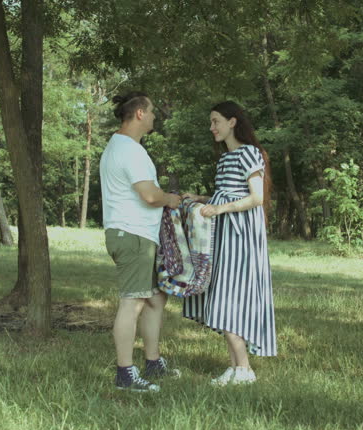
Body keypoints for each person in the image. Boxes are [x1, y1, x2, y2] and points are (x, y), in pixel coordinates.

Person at [182, 101, 277, 386]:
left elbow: (256, 198)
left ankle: (245, 370)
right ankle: (236, 368)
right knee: (220, 293)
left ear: (232, 122)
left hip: (241, 235)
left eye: (216, 121)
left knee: (229, 295)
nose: (212, 128)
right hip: (222, 234)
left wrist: (220, 209)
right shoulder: (225, 159)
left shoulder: (249, 154)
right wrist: (201, 199)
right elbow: (223, 195)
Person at [100, 91, 182, 392]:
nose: (154, 117)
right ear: (138, 114)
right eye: (151, 112)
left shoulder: (119, 146)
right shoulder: (130, 150)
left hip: (138, 235)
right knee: (132, 301)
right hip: (132, 235)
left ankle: (153, 362)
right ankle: (125, 374)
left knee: (155, 298)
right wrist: (170, 199)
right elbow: (149, 195)